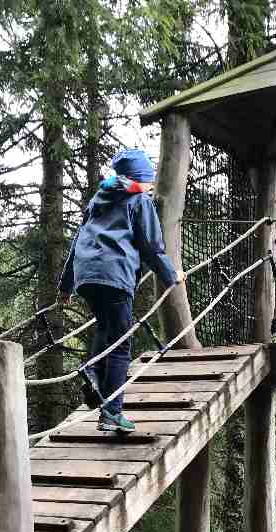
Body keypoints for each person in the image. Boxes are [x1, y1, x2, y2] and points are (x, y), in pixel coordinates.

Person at [58, 148, 182, 433]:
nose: (151, 185)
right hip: (114, 275)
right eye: (149, 179)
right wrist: (171, 276)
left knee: (107, 327)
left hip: (86, 276)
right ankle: (112, 412)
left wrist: (65, 285)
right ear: (140, 178)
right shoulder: (139, 200)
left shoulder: (98, 200)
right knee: (121, 345)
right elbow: (151, 246)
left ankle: (92, 370)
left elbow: (78, 240)